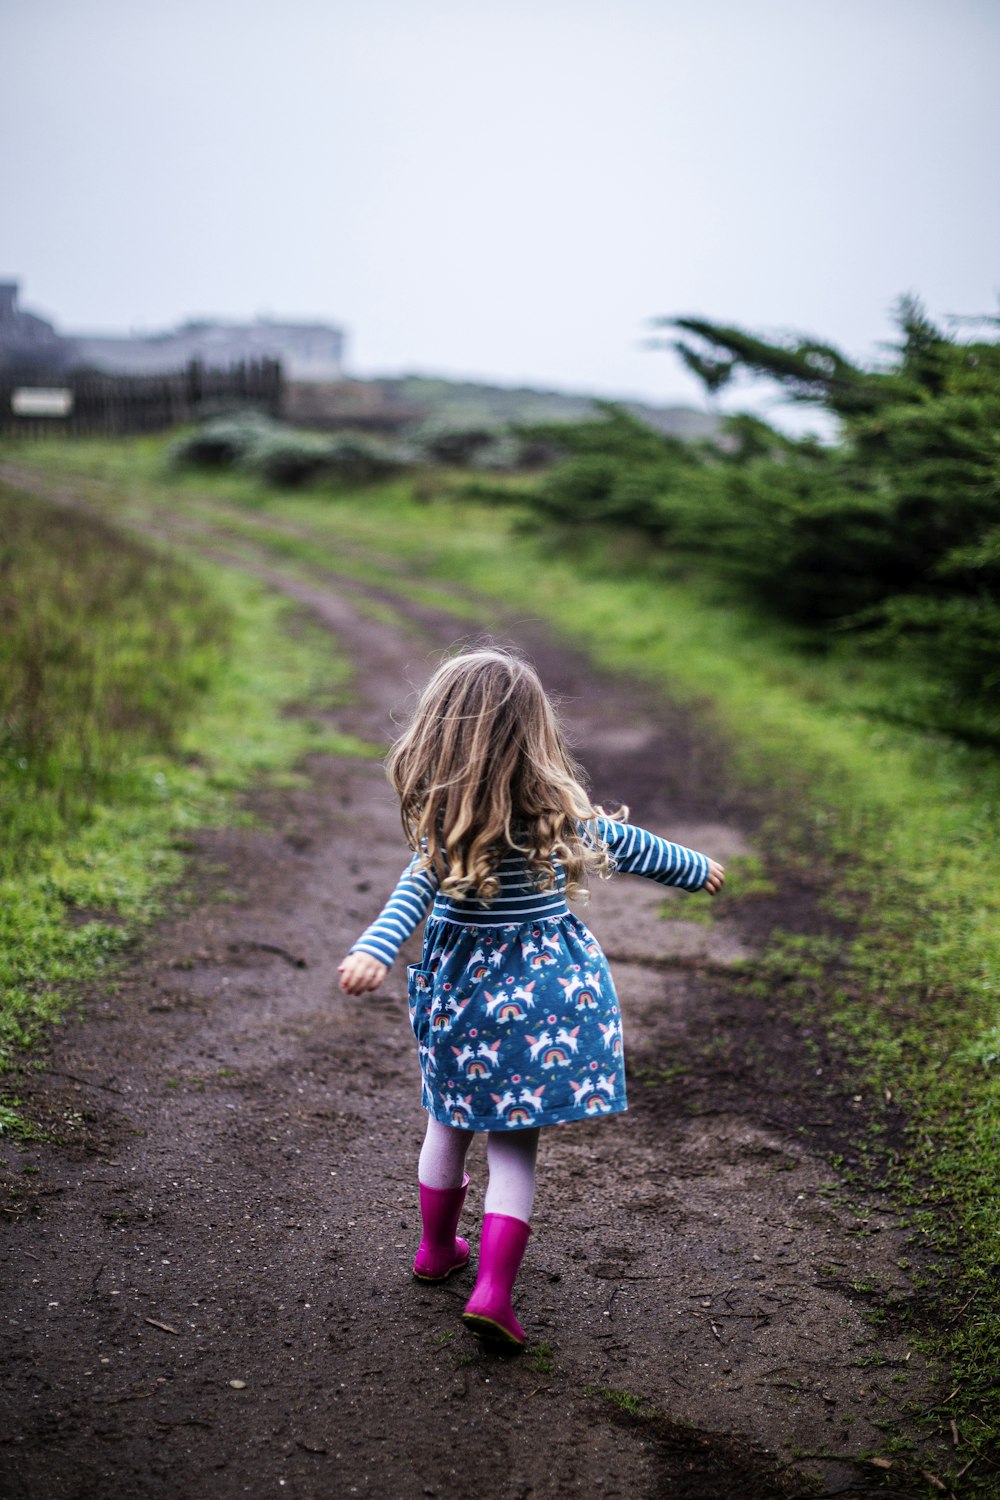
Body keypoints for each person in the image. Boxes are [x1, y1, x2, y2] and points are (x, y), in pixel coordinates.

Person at [339, 646, 724, 1349]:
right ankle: (492, 1291)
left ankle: (435, 1251)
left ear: (438, 736)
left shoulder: (443, 834)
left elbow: (404, 903)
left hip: (462, 1002)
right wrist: (697, 868)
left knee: (447, 1121)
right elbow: (631, 845)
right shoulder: (557, 818)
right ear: (536, 734)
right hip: (542, 999)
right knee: (514, 1150)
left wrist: (371, 950)